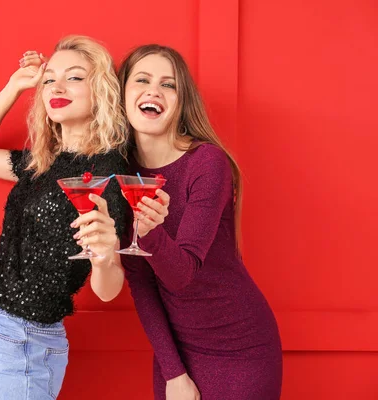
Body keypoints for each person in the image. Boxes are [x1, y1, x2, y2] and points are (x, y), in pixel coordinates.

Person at [0, 35, 128, 400]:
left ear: (101, 90)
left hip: (26, 341)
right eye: (49, 79)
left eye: (75, 77)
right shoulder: (41, 164)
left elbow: (107, 291)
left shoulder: (106, 173)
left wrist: (106, 255)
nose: (57, 86)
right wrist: (14, 87)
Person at [114, 44, 283, 400]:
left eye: (168, 84)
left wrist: (151, 232)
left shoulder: (207, 162)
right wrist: (174, 371)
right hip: (175, 351)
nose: (153, 90)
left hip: (240, 347)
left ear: (181, 102)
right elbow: (142, 284)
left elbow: (181, 274)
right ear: (122, 93)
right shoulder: (121, 176)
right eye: (141, 80)